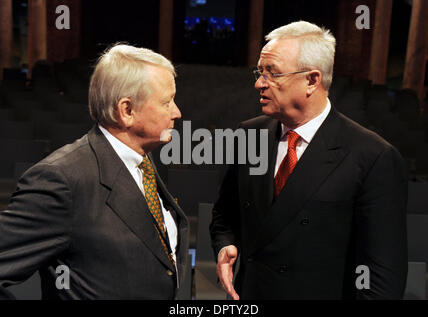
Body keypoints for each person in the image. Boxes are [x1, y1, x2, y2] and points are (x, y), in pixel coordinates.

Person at [210, 21, 408, 300]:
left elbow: (381, 280)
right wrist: (225, 246)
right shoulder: (249, 134)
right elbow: (224, 216)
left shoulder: (374, 157)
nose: (258, 83)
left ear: (312, 80)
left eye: (272, 73)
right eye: (259, 72)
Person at [0, 44, 189, 299]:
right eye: (167, 102)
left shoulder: (143, 161)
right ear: (127, 111)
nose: (176, 112)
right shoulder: (61, 180)